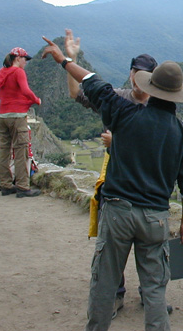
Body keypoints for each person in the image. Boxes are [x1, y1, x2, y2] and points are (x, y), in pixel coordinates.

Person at [42, 36, 183, 331]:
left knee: (104, 283)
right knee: (155, 289)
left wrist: (64, 60)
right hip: (154, 216)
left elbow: (92, 82)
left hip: (117, 212)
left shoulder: (124, 113)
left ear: (150, 88)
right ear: (178, 96)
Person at [63, 28, 159, 318]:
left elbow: (158, 147)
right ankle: (115, 293)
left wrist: (118, 142)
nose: (137, 76)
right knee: (112, 244)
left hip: (148, 181)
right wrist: (70, 58)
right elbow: (75, 93)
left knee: (149, 246)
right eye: (135, 71)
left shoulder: (161, 107)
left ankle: (150, 293)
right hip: (116, 179)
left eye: (143, 73)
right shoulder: (118, 99)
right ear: (130, 74)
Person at [0, 47, 41, 198]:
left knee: (4, 150)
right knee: (20, 150)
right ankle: (23, 187)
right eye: (25, 59)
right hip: (17, 116)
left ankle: (5, 185)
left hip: (2, 116)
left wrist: (5, 100)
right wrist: (36, 100)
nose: (26, 62)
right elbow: (25, 90)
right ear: (18, 58)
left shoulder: (1, 72)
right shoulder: (18, 72)